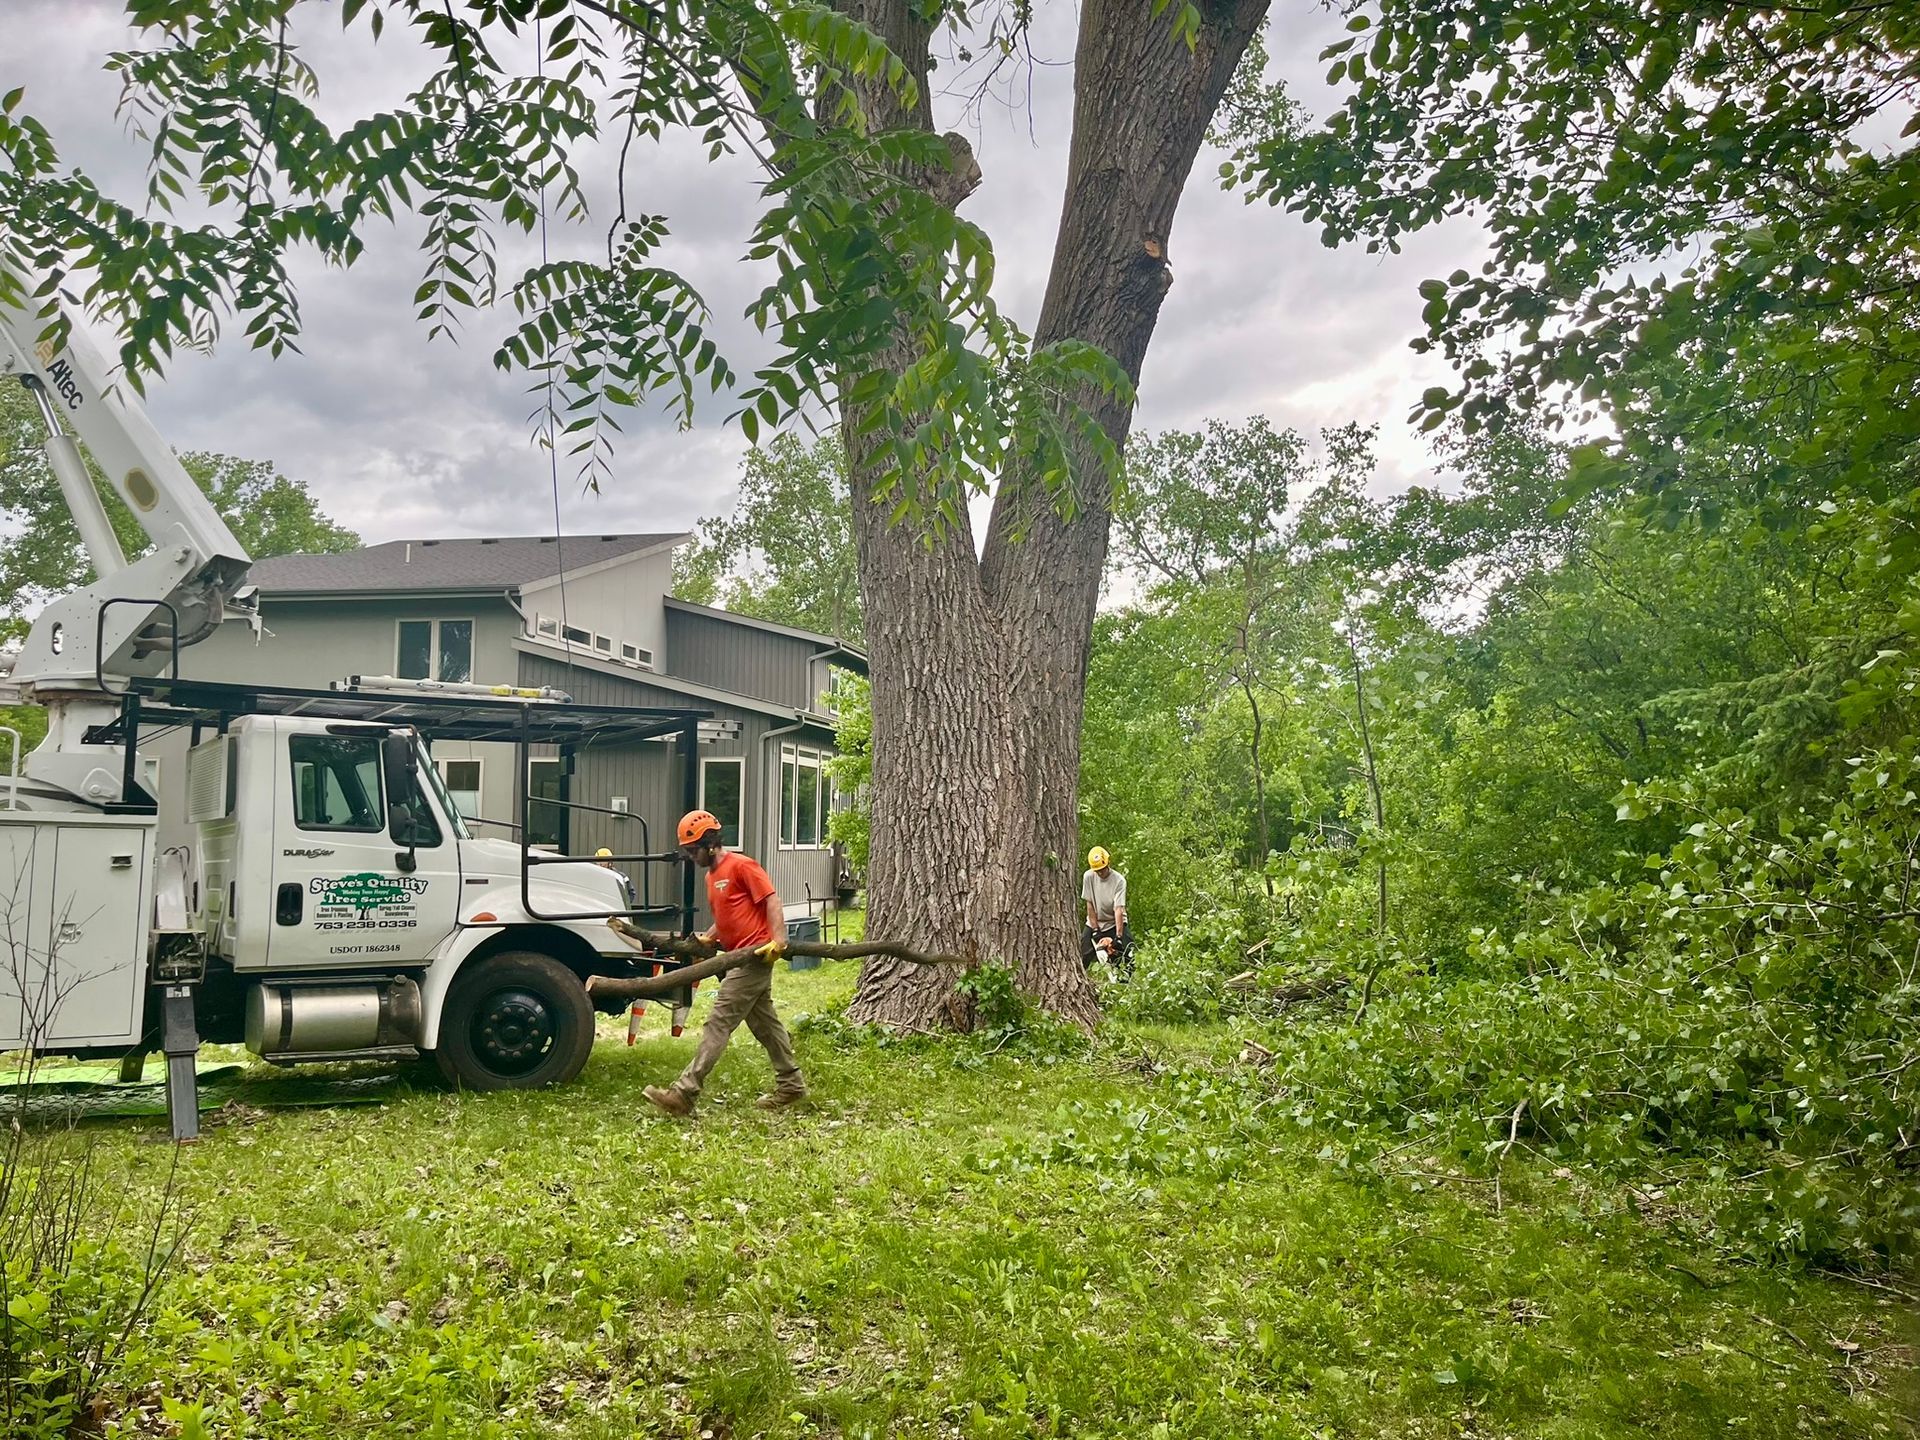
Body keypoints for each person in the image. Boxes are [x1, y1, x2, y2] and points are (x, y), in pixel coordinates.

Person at [642, 810, 808, 1116]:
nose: (691, 857)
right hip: (734, 957)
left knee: (718, 1022)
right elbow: (729, 915)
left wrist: (779, 940)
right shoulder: (711, 876)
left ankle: (685, 1092)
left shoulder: (742, 865)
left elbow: (771, 899)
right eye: (687, 851)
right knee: (764, 1024)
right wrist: (709, 937)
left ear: (710, 843)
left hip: (754, 956)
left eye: (693, 850)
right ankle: (792, 1085)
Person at [1081, 846, 1132, 975]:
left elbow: (1118, 909)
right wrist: (1095, 930)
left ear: (1108, 863)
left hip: (1114, 922)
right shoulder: (1088, 877)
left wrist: (1118, 937)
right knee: (1082, 953)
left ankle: (1125, 984)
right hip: (1095, 922)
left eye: (1102, 869)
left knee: (1127, 955)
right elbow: (1090, 904)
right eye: (1097, 870)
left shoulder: (1119, 881)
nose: (1100, 873)